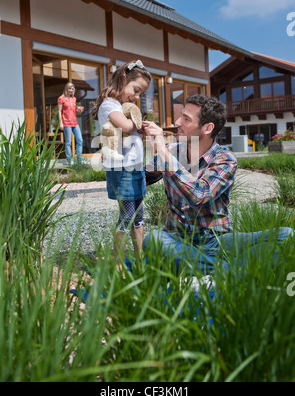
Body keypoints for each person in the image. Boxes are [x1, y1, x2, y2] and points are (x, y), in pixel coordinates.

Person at [142, 94, 293, 276]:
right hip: (177, 239)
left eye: (186, 119)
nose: (177, 122)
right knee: (154, 240)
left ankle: (205, 270)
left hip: (217, 241)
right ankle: (228, 274)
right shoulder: (172, 152)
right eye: (181, 115)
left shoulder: (225, 158)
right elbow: (139, 178)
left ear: (207, 128)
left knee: (287, 236)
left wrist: (163, 151)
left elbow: (200, 195)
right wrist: (122, 158)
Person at [92, 60, 151, 264]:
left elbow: (131, 127)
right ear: (124, 78)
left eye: (141, 93)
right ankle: (118, 263)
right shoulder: (110, 104)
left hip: (134, 168)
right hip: (122, 170)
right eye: (136, 90)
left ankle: (139, 258)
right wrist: (137, 120)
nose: (137, 97)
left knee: (139, 215)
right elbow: (127, 126)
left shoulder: (123, 106)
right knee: (126, 217)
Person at [58, 82, 84, 165]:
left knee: (80, 140)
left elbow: (73, 109)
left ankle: (79, 159)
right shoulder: (61, 98)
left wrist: (78, 109)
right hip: (66, 122)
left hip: (75, 122)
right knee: (68, 142)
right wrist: (60, 123)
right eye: (70, 88)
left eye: (72, 89)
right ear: (66, 89)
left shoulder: (74, 99)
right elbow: (59, 111)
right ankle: (69, 160)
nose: (71, 90)